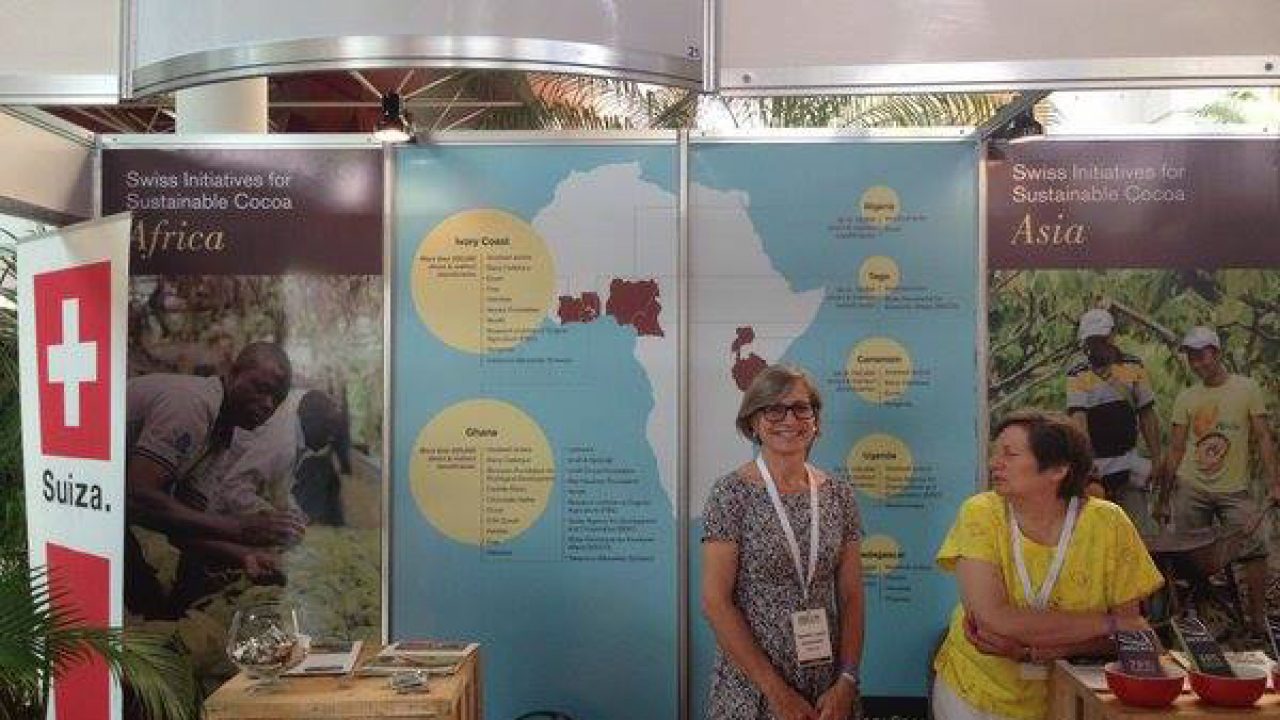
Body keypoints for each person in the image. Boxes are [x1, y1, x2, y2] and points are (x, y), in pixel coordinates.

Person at [932, 410, 1163, 720]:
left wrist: (1040, 650)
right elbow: (993, 620)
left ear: (1057, 469)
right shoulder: (981, 513)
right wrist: (1108, 623)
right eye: (995, 453)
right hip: (976, 695)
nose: (994, 463)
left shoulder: (1109, 524)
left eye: (1010, 454)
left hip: (1069, 700)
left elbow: (1132, 637)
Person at [702, 365, 864, 720]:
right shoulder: (730, 494)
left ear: (815, 420)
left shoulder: (839, 495)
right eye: (774, 409)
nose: (789, 419)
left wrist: (847, 681)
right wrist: (777, 693)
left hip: (828, 690)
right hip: (753, 690)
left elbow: (852, 595)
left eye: (800, 408)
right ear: (754, 422)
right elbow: (715, 602)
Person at [124, 341, 305, 618]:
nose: (267, 404)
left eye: (277, 400)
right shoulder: (192, 405)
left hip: (108, 506)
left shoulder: (222, 434)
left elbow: (183, 525)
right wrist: (240, 528)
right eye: (261, 388)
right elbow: (138, 498)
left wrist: (244, 556)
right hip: (79, 494)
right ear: (232, 373)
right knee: (148, 608)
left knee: (156, 608)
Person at [1159, 326, 1278, 638]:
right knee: (1188, 553)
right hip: (1192, 485)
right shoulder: (1187, 397)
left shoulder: (1246, 389)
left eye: (1202, 355)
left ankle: (1257, 618)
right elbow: (1176, 449)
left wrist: (1275, 482)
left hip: (1234, 488)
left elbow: (1263, 437)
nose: (1197, 363)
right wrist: (1163, 497)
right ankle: (1202, 613)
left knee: (1255, 546)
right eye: (1192, 357)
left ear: (1217, 353)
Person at [1065, 308, 1162, 535]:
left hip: (1128, 462)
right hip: (1097, 466)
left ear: (1111, 336)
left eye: (1100, 339)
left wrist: (1157, 457)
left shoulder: (1132, 366)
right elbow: (1078, 419)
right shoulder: (1078, 373)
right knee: (1098, 532)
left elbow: (1147, 413)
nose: (1096, 346)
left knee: (1138, 531)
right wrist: (1086, 463)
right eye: (1092, 341)